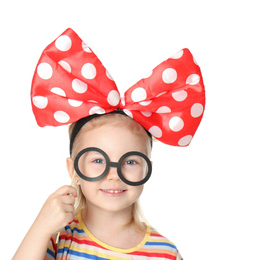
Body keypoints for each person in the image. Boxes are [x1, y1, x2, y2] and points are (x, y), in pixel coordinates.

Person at [13, 28, 205, 259]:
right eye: (98, 160)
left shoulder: (166, 252)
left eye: (131, 161)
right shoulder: (57, 238)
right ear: (73, 168)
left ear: (147, 168)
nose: (114, 174)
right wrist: (40, 227)